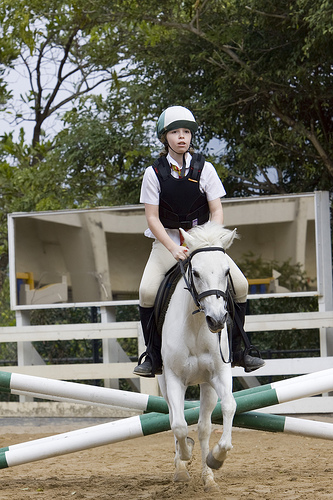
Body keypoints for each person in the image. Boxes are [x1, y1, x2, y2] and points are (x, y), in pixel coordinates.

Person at [133, 105, 265, 377]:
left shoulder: (205, 168)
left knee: (240, 285)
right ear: (164, 137)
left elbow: (216, 210)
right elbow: (152, 219)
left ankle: (241, 349)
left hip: (202, 239)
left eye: (186, 132)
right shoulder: (153, 173)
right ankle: (153, 355)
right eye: (175, 132)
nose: (182, 137)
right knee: (147, 292)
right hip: (167, 241)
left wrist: (208, 241)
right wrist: (173, 247)